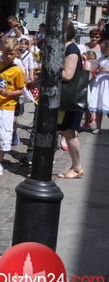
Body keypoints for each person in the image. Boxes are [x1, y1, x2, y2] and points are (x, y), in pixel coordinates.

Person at [0, 37, 25, 176]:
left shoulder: (17, 71)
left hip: (7, 106)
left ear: (16, 53)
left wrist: (9, 93)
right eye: (6, 53)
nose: (8, 56)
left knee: (3, 134)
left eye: (11, 53)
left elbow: (21, 90)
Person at [57, 23, 84, 179]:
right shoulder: (66, 48)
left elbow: (68, 75)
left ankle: (77, 167)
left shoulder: (71, 50)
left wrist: (50, 68)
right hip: (65, 98)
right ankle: (75, 166)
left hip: (71, 98)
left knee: (69, 132)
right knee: (66, 131)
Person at [88, 39, 109, 134]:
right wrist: (96, 71)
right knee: (98, 106)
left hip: (107, 84)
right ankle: (98, 127)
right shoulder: (101, 58)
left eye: (103, 49)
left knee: (107, 106)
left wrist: (107, 70)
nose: (101, 51)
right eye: (101, 49)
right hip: (99, 84)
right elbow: (96, 69)